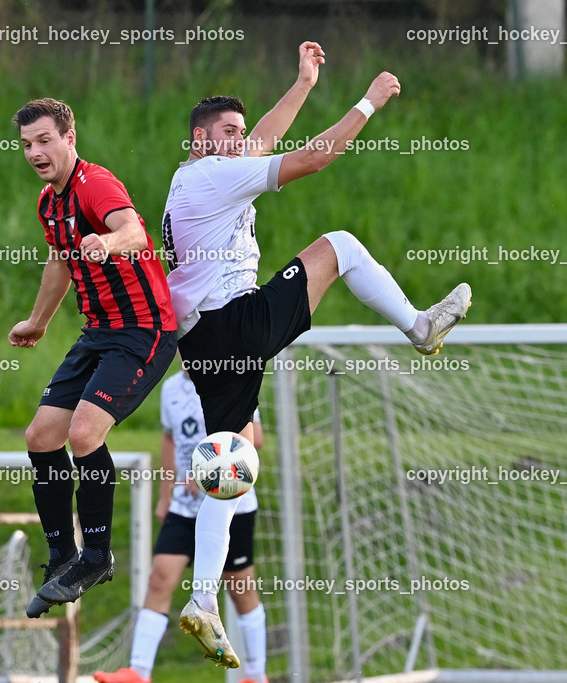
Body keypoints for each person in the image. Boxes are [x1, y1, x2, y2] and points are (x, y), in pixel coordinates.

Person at [162, 43, 472, 667]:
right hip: (235, 325)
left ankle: (202, 600)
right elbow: (312, 158)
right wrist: (369, 102)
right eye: (228, 132)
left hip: (200, 344)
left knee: (228, 463)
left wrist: (303, 82)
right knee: (341, 245)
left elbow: (265, 140)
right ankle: (418, 326)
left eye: (240, 132)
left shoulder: (198, 174)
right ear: (199, 140)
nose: (241, 141)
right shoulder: (212, 174)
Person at [8, 98, 178, 617]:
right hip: (99, 333)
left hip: (144, 331)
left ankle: (98, 555)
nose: (36, 152)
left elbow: (133, 231)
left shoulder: (94, 183)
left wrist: (109, 242)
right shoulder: (48, 202)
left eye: (44, 140)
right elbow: (60, 263)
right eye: (27, 145)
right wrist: (37, 322)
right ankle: (63, 555)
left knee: (84, 434)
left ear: (69, 137)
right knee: (41, 436)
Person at [94, 369, 269, 683]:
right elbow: (169, 440)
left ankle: (256, 675)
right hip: (184, 506)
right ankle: (138, 671)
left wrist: (209, 472)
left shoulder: (232, 376)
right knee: (159, 578)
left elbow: (254, 440)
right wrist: (165, 495)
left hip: (232, 504)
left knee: (240, 589)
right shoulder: (171, 387)